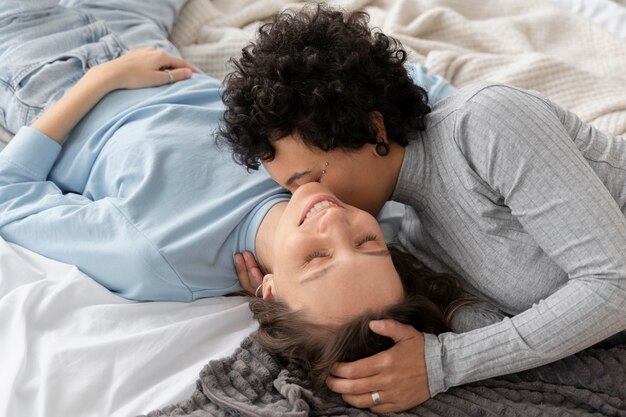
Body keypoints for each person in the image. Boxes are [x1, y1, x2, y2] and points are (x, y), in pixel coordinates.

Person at [220, 4, 626, 413]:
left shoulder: (483, 123)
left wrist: (444, 364)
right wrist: (279, 300)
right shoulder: (405, 235)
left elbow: (617, 283)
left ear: (372, 128)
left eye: (309, 177)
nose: (309, 201)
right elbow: (497, 329)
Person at [0, 0, 462, 316]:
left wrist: (101, 81)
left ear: (270, 293)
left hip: (48, 72)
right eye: (367, 244)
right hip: (147, 42)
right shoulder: (359, 184)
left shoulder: (159, 257)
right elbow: (421, 94)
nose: (334, 224)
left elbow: (9, 193)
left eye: (317, 258)